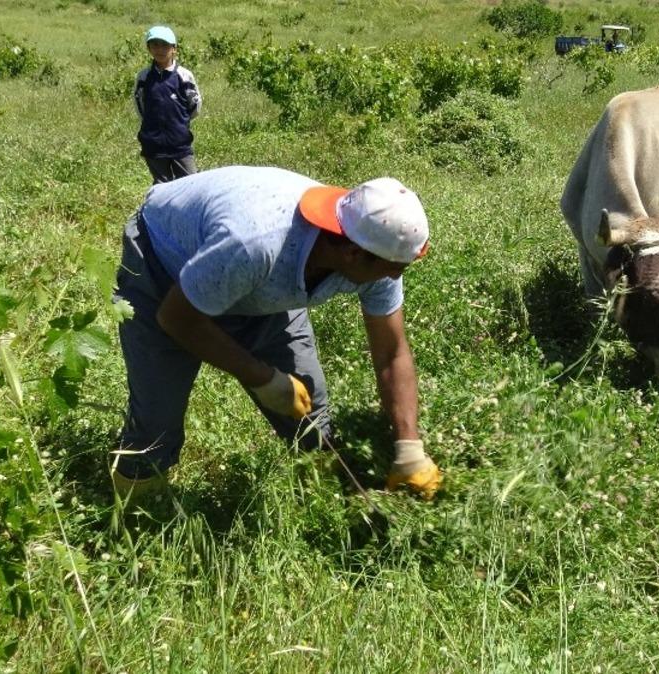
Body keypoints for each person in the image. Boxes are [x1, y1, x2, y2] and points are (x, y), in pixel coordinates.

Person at [110, 166, 441, 504]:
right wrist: (262, 377)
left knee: (311, 422)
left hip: (251, 281)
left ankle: (326, 502)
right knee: (155, 427)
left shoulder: (375, 249)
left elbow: (391, 353)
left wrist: (409, 446)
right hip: (164, 266)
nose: (395, 277)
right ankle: (135, 514)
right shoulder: (256, 244)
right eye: (394, 269)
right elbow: (176, 319)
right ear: (353, 253)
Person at [134, 25, 202, 184]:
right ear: (148, 48)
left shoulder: (183, 75)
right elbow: (140, 105)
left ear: (174, 49)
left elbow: (195, 106)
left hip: (179, 143)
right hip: (153, 144)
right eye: (155, 45)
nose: (160, 49)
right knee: (162, 186)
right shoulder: (144, 77)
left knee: (190, 183)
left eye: (165, 45)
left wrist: (180, 122)